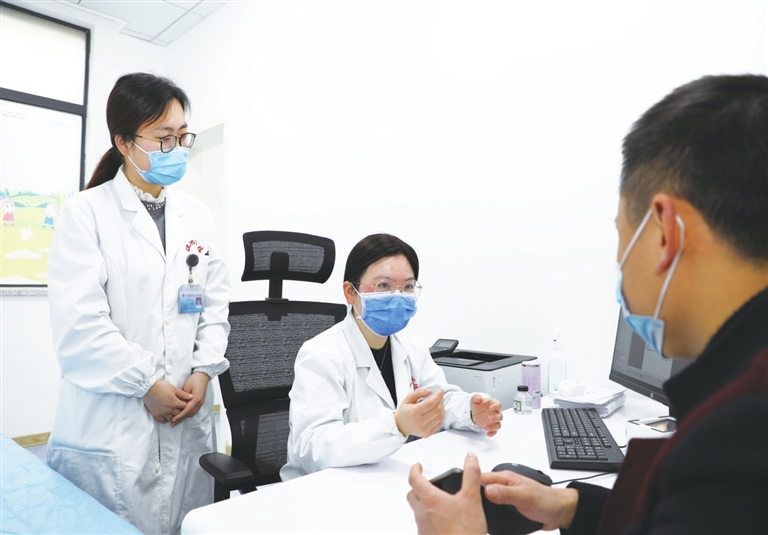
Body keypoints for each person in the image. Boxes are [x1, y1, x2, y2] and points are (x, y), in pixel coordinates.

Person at [407, 74, 768, 534]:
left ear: (665, 232)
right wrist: (571, 506)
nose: (620, 257)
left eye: (622, 232)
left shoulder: (739, 432)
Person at [46, 73, 231, 535]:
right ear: (124, 143)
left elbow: (215, 306)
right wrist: (146, 383)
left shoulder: (198, 215)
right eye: (163, 138)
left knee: (188, 521)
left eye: (182, 136)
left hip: (187, 409)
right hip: (116, 423)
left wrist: (203, 370)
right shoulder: (85, 214)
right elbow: (80, 327)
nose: (178, 148)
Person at [280, 233, 504, 481]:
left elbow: (440, 401)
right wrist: (396, 426)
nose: (397, 296)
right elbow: (313, 448)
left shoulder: (412, 346)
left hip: (390, 477)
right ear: (350, 292)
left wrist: (471, 412)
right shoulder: (321, 355)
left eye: (407, 287)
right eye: (384, 285)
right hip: (326, 487)